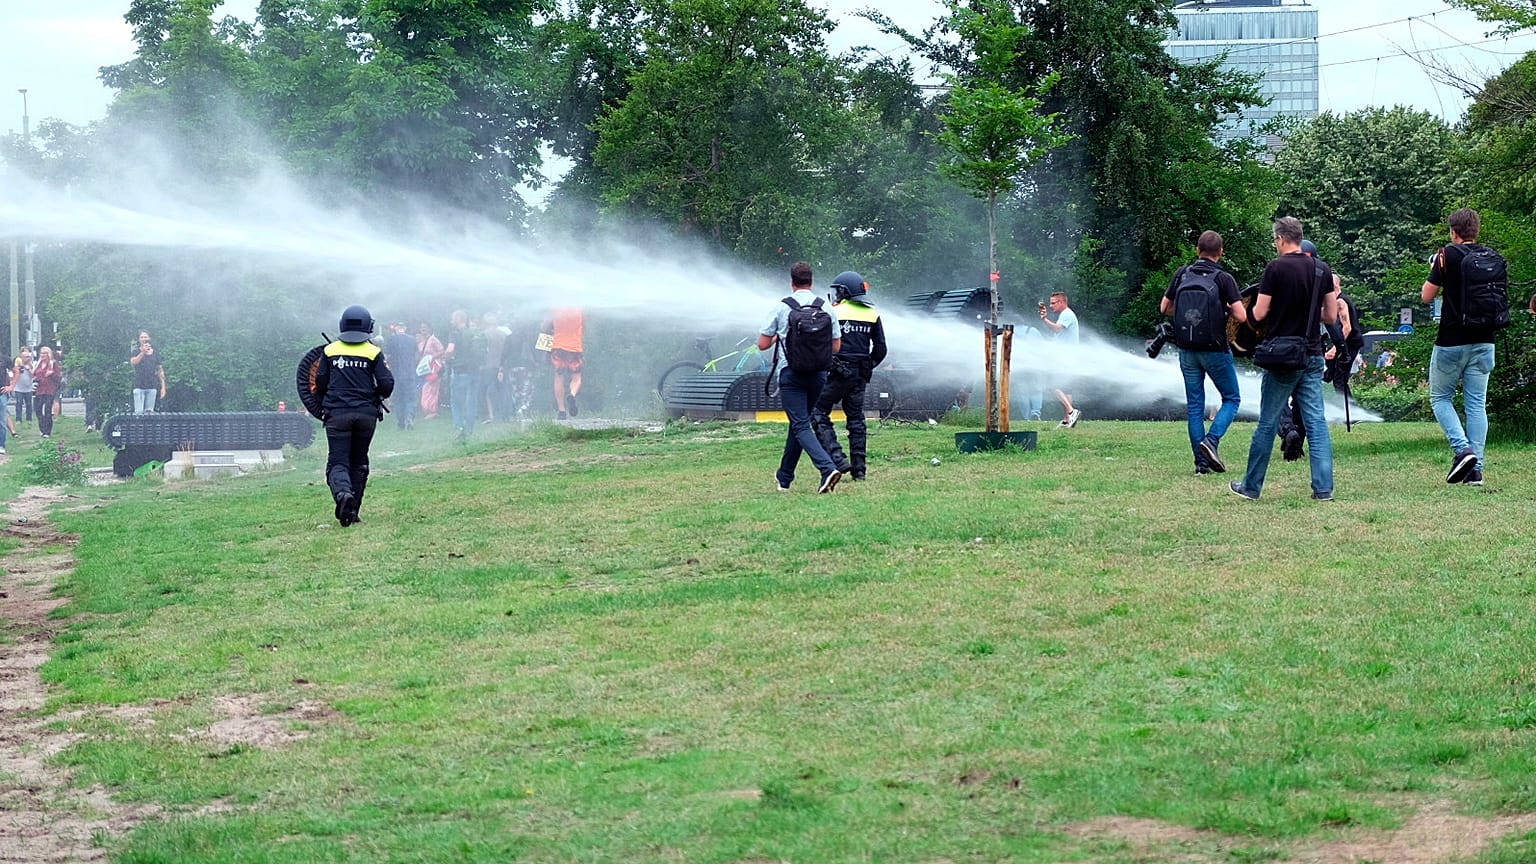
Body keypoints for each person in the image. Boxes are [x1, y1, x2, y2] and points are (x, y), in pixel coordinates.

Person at [1230, 216, 1339, 502]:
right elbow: (1330, 315)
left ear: (1280, 239)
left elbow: (1261, 311)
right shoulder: (1321, 269)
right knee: (1316, 422)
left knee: (1268, 422)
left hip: (1281, 356)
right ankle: (1323, 488)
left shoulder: (1275, 268)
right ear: (1299, 237)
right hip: (1312, 354)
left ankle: (1251, 487)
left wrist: (1245, 323)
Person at [1423, 207, 1502, 486]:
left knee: (1440, 398)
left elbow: (1426, 295)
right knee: (1476, 404)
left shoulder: (1447, 254)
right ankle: (1476, 470)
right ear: (1476, 231)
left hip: (1452, 340)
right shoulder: (1490, 256)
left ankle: (1462, 450)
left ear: (1453, 232)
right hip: (1485, 340)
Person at [1160, 230, 1248, 474]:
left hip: (1187, 349)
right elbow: (1241, 315)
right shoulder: (1223, 278)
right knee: (1231, 398)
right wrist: (1225, 309)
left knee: (1195, 407)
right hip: (1215, 349)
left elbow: (1164, 307)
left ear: (1197, 250)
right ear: (1220, 253)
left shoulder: (1182, 273)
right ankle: (1211, 441)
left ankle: (1201, 465)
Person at [759, 261, 843, 493]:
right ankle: (784, 478)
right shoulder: (825, 306)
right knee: (799, 424)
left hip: (791, 374)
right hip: (818, 375)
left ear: (792, 282)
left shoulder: (782, 307)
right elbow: (836, 347)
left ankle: (827, 468)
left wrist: (779, 337)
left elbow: (762, 344)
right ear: (811, 281)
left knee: (800, 425)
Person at [314, 305, 394, 527]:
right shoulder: (373, 352)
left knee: (338, 461)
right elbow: (387, 384)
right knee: (359, 461)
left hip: (337, 415)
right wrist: (374, 395)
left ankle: (342, 495)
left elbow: (319, 382)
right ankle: (353, 511)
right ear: (368, 326)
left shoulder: (330, 351)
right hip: (366, 415)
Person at [811, 271, 888, 481]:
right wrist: (867, 365)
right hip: (860, 375)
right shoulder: (872, 313)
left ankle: (837, 458)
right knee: (856, 418)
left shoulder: (833, 311)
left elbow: (822, 342)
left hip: (837, 372)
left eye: (837, 290)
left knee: (817, 411)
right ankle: (859, 470)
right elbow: (881, 349)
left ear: (844, 291)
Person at [1038, 291, 1081, 427]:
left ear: (1062, 302)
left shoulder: (1067, 314)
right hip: (1068, 357)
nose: (1051, 306)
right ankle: (1067, 420)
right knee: (1066, 389)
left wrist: (1044, 319)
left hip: (1065, 357)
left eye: (1053, 303)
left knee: (1052, 385)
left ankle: (1071, 411)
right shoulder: (1065, 314)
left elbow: (1057, 329)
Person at [444, 310, 485, 440]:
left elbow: (450, 350)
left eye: (452, 319)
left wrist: (446, 359)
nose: (451, 321)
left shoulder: (455, 334)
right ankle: (469, 430)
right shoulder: (475, 332)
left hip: (460, 371)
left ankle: (460, 427)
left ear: (458, 319)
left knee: (457, 401)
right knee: (471, 401)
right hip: (475, 371)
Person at [546, 307, 585, 420]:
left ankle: (561, 411)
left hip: (557, 347)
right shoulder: (579, 310)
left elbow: (545, 326)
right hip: (575, 348)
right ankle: (572, 395)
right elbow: (584, 327)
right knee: (576, 378)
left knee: (559, 378)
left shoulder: (555, 309)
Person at [384, 322, 418, 430]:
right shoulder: (412, 340)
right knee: (410, 398)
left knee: (398, 399)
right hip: (410, 373)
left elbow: (386, 356)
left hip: (396, 374)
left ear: (397, 329)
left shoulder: (391, 340)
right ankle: (410, 416)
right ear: (405, 328)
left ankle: (401, 422)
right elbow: (417, 355)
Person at [130, 330, 166, 414]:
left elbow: (160, 370)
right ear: (139, 339)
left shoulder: (156, 353)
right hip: (138, 386)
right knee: (139, 413)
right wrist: (143, 352)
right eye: (141, 337)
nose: (143, 339)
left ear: (149, 338)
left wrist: (163, 387)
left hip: (152, 386)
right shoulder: (136, 351)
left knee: (149, 413)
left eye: (145, 337)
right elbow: (133, 362)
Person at [31, 346, 63, 439]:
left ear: (49, 354)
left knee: (48, 410)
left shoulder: (53, 364)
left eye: (45, 353)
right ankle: (42, 428)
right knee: (38, 410)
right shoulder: (37, 364)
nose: (43, 355)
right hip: (39, 390)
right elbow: (33, 375)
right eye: (41, 353)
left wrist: (51, 374)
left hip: (50, 390)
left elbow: (58, 378)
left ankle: (47, 432)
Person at [416, 322, 444, 420]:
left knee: (432, 388)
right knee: (425, 388)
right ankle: (426, 410)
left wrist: (431, 357)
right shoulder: (421, 341)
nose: (423, 329)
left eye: (425, 327)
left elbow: (441, 351)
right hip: (424, 368)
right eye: (421, 327)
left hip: (433, 367)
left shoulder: (433, 340)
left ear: (429, 328)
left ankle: (432, 411)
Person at [11, 348, 35, 425]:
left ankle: (29, 419)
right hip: (18, 387)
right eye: (25, 357)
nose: (26, 358)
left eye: (28, 356)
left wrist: (28, 369)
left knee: (29, 404)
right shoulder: (17, 364)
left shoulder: (32, 364)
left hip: (28, 387)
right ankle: (18, 419)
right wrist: (18, 367)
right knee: (19, 403)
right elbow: (12, 374)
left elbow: (34, 376)